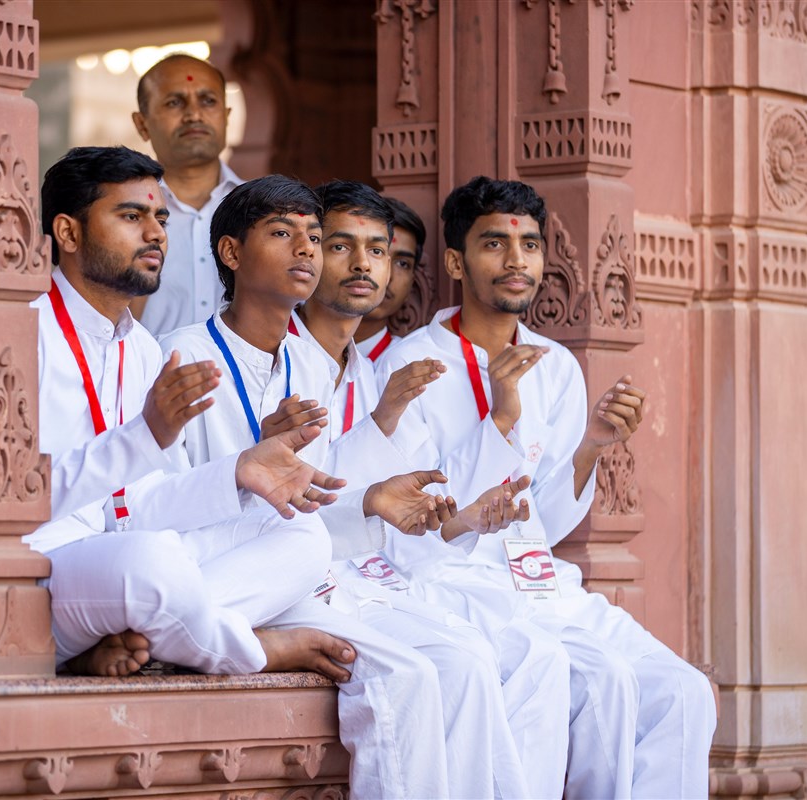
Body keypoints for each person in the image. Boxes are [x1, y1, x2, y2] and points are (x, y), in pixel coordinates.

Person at [161, 175, 535, 799]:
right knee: (411, 667)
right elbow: (166, 500)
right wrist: (253, 463)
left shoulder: (306, 365)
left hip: (311, 570)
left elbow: (325, 493)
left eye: (313, 237)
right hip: (233, 572)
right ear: (230, 253)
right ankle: (213, 634)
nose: (306, 250)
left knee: (460, 662)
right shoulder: (181, 354)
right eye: (287, 235)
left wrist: (385, 497)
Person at [377, 175, 718, 798]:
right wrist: (500, 418)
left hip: (541, 578)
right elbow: (420, 517)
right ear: (456, 261)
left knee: (685, 692)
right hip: (455, 582)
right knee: (607, 679)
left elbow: (547, 522)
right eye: (494, 245)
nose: (517, 260)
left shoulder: (555, 364)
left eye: (531, 245)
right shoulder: (409, 362)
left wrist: (591, 445)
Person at [286, 180, 577, 798]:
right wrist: (383, 465)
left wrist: (457, 515)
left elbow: (415, 510)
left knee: (536, 659)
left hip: (395, 571)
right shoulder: (276, 359)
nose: (366, 265)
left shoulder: (371, 371)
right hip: (312, 576)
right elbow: (285, 497)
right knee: (453, 665)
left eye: (380, 250)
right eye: (339, 245)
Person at [27, 144, 357, 682]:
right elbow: (17, 501)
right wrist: (144, 436)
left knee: (301, 535)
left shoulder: (140, 348)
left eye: (159, 218)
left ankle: (138, 640)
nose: (157, 233)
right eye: (131, 216)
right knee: (151, 564)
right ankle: (253, 650)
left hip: (125, 555)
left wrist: (238, 471)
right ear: (68, 234)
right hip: (45, 567)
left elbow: (137, 508)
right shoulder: (24, 332)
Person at [129, 53, 241, 335]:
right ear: (142, 124)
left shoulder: (262, 211)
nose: (194, 114)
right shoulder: (123, 215)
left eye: (208, 101)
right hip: (149, 378)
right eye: (175, 102)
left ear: (226, 117)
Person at [352, 195, 424, 361]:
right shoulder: (286, 343)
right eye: (376, 251)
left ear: (412, 283)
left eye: (402, 263)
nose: (387, 275)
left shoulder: (410, 365)